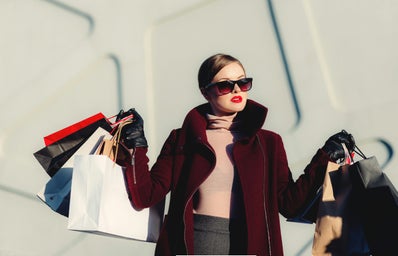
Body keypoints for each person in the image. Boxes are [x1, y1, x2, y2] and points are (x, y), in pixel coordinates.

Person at [117, 53, 355, 255]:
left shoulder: (268, 143)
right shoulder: (183, 139)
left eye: (243, 83)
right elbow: (145, 195)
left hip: (251, 245)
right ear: (205, 92)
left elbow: (290, 204)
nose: (236, 90)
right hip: (196, 244)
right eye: (225, 85)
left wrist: (325, 157)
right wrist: (136, 146)